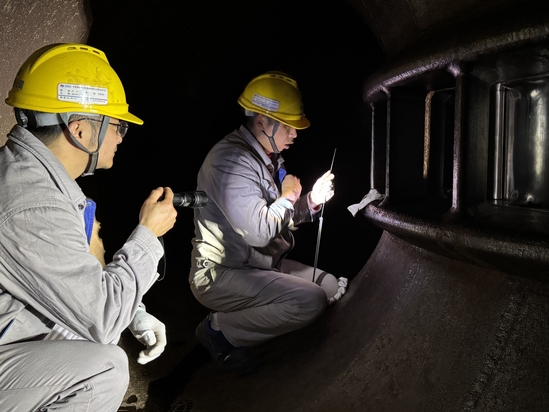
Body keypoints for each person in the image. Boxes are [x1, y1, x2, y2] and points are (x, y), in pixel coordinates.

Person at [0, 43, 178, 412]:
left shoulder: (37, 179)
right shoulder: (32, 206)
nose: (121, 137)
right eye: (117, 125)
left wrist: (135, 311)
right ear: (80, 131)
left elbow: (74, 278)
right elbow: (102, 320)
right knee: (102, 369)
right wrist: (148, 235)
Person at [189, 71, 348, 373]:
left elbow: (277, 219)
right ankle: (218, 331)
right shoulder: (230, 161)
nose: (294, 134)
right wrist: (288, 196)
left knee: (329, 286)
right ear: (262, 122)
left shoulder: (267, 157)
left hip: (262, 264)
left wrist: (311, 200)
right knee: (311, 301)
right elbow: (260, 232)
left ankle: (253, 316)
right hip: (223, 274)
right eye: (287, 125)